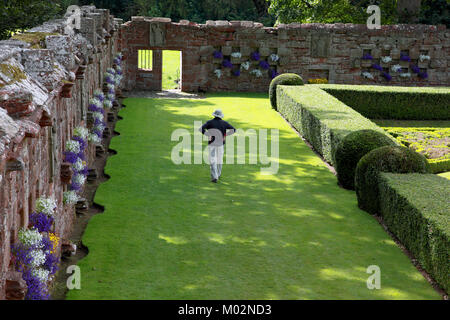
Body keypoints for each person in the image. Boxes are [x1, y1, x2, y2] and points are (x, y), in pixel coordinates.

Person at [200, 110, 236, 183]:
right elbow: (234, 130)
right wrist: (225, 135)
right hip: (220, 144)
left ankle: (215, 176)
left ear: (214, 115)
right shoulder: (225, 123)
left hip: (212, 143)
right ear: (220, 116)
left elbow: (201, 129)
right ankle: (218, 174)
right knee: (220, 160)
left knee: (212, 160)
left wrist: (208, 135)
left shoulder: (209, 122)